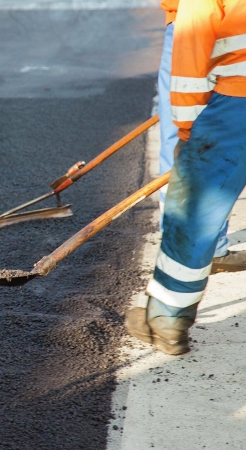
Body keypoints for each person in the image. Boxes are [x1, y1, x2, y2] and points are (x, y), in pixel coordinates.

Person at [127, 0, 246, 355]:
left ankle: (167, 318)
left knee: (194, 205)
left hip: (238, 97)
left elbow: (193, 49)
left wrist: (186, 131)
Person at [158, 0, 246, 273]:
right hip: (200, 25)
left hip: (205, 23)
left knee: (190, 134)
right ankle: (190, 248)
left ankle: (196, 245)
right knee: (190, 139)